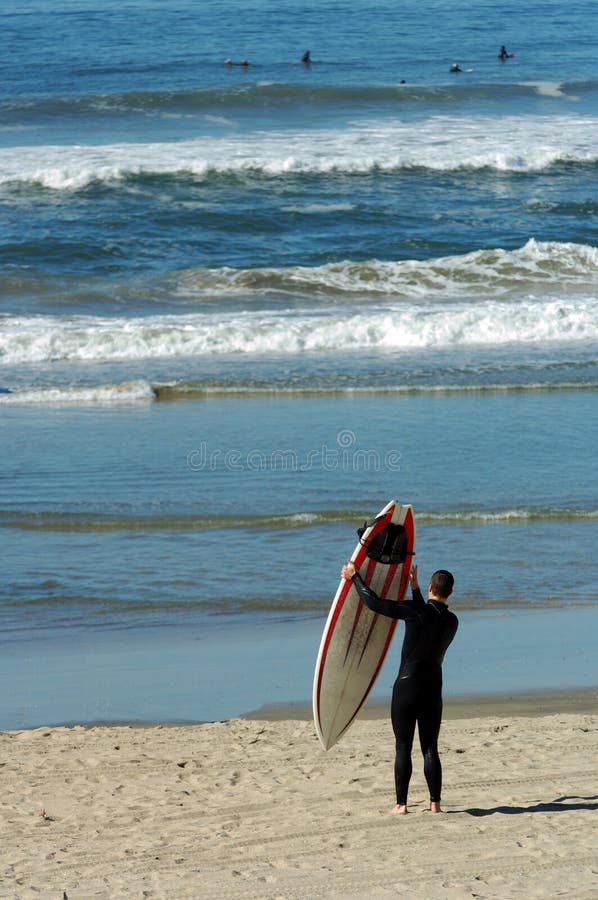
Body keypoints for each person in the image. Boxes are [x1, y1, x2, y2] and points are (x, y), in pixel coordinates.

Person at [341, 560, 458, 815]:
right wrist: (415, 590)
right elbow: (429, 617)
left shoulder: (414, 612)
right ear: (450, 592)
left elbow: (375, 603)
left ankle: (401, 805)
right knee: (430, 747)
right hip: (433, 688)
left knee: (403, 745)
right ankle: (435, 804)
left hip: (406, 686)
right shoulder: (452, 622)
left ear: (430, 587)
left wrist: (354, 577)